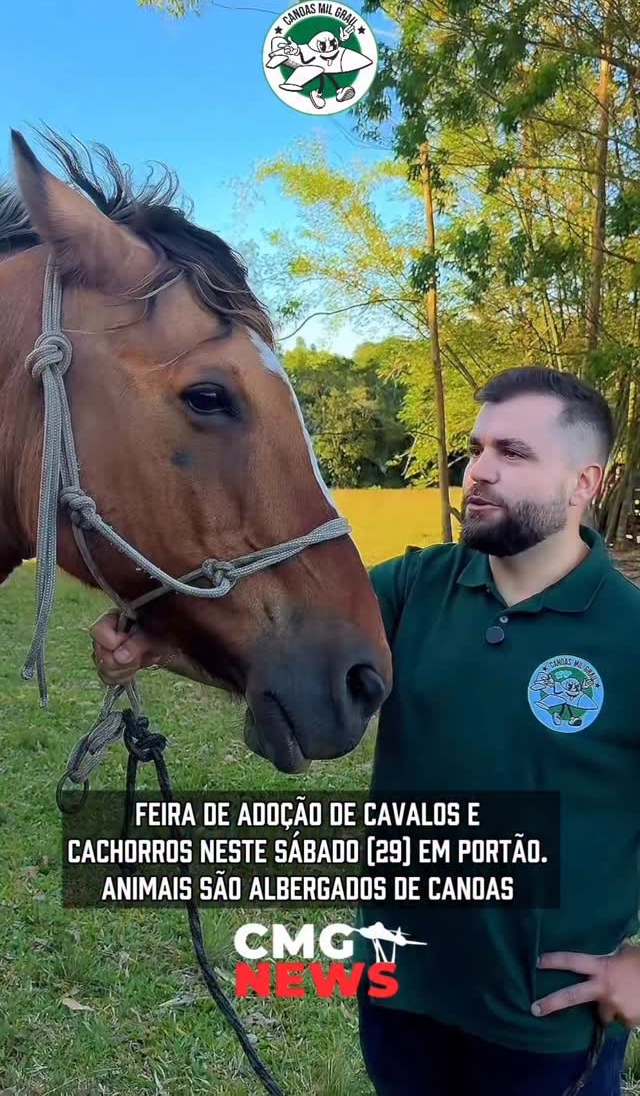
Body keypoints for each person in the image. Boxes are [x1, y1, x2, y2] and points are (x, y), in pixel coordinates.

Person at [90, 366, 640, 1095]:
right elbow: (293, 656)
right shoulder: (417, 586)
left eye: (513, 454)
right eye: (476, 450)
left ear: (584, 484)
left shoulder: (627, 635)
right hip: (396, 987)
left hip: (541, 1027)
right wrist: (164, 648)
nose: (478, 472)